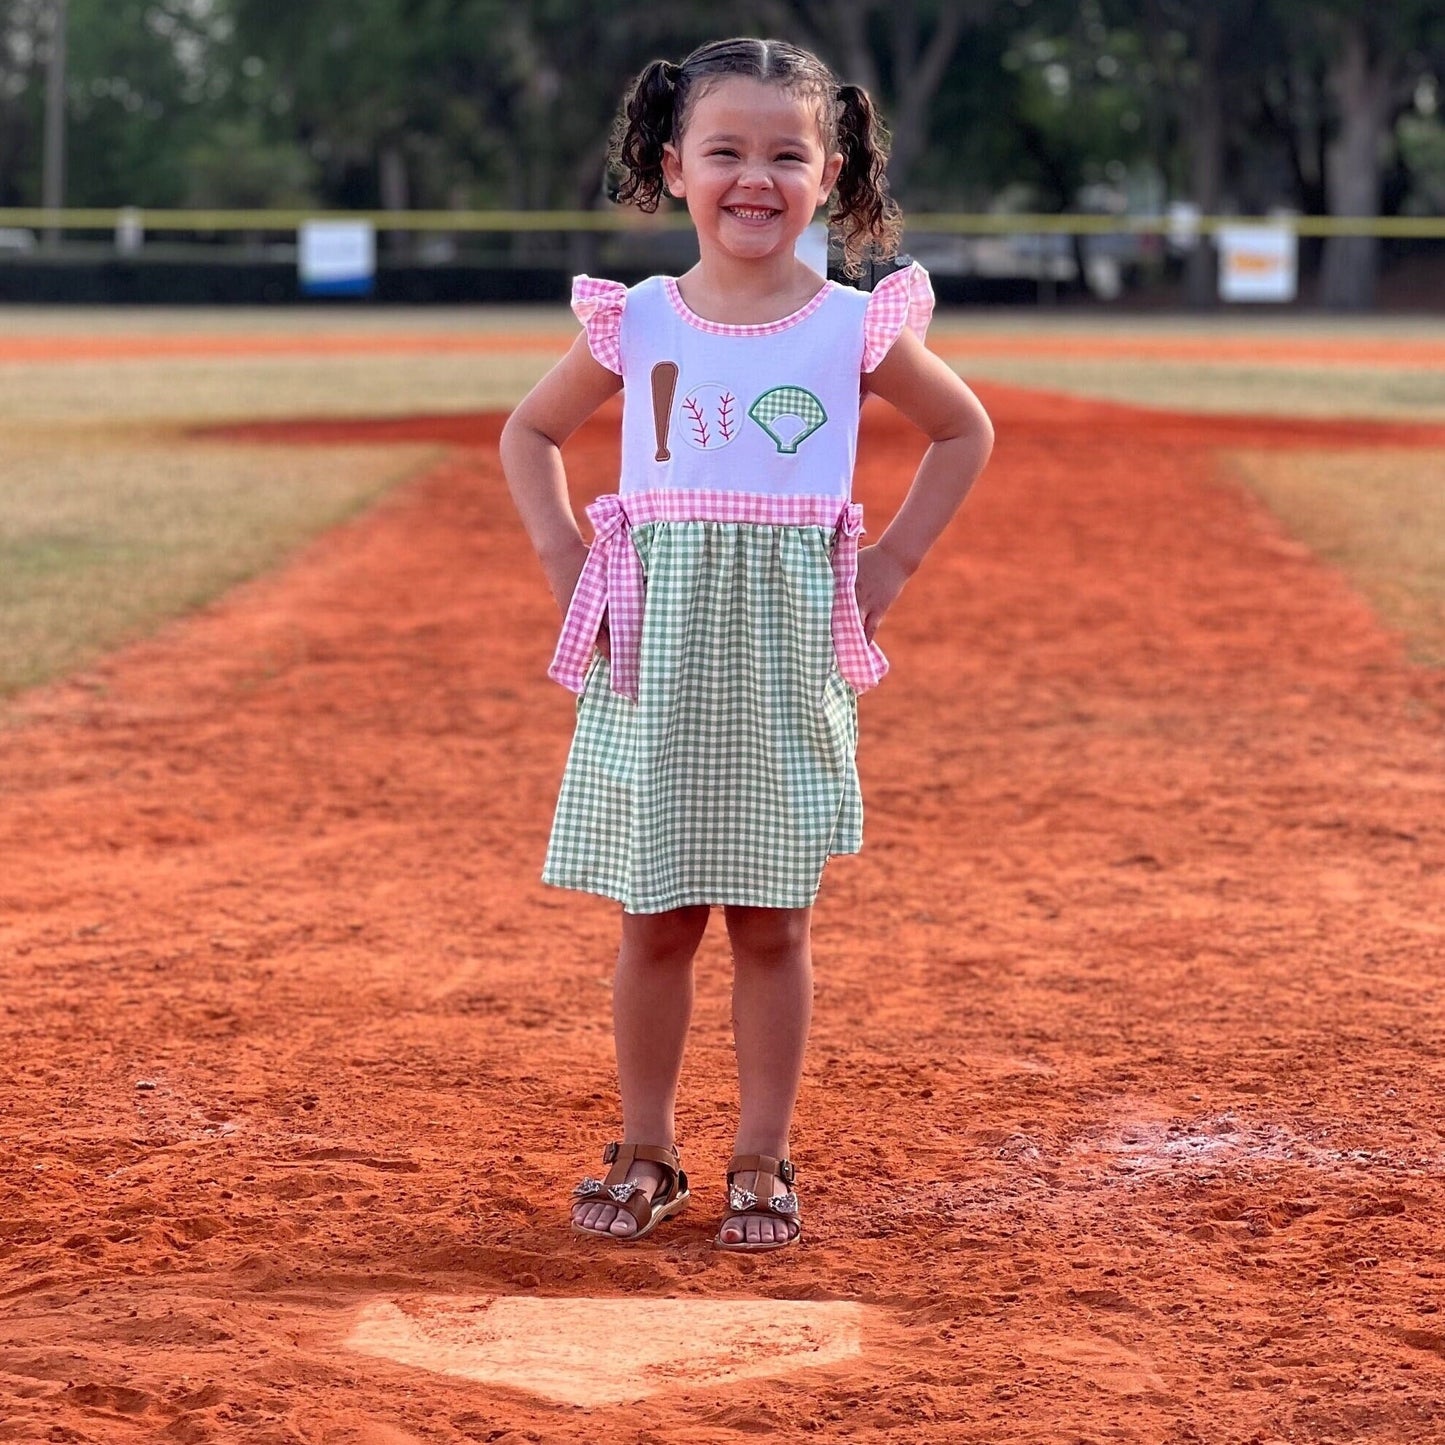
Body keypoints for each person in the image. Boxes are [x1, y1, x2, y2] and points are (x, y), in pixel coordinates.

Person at [499, 36, 994, 1252]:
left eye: (786, 153)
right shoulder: (641, 319)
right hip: (657, 657)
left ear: (828, 176)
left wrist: (887, 566)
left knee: (773, 920)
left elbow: (962, 429)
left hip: (780, 656)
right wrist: (571, 561)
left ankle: (761, 1154)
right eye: (725, 151)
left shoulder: (851, 325)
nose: (753, 178)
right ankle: (647, 1145)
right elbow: (529, 433)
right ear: (675, 167)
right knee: (655, 916)